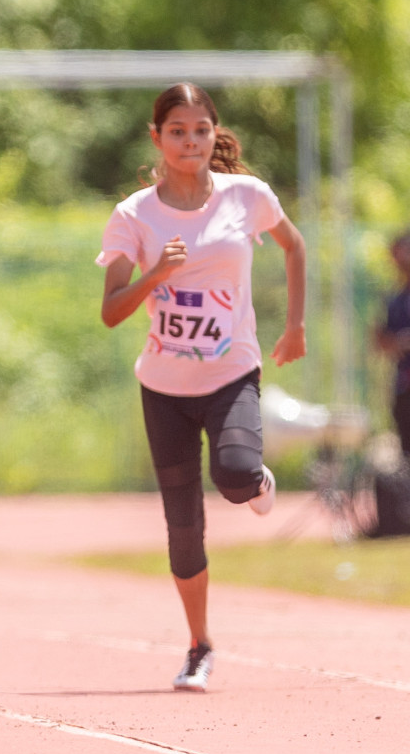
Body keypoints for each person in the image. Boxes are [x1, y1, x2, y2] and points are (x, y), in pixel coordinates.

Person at [98, 83, 305, 692]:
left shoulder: (247, 196)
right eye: (177, 131)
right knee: (183, 527)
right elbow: (110, 310)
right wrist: (157, 272)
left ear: (215, 135)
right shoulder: (135, 215)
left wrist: (294, 327)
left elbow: (294, 247)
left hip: (230, 372)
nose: (190, 142)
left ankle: (258, 478)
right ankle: (198, 644)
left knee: (237, 476)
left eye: (201, 131)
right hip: (163, 387)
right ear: (156, 137)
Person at [375, 232, 410, 482]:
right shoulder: (394, 298)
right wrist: (385, 340)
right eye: (397, 252)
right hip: (404, 386)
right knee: (408, 453)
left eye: (407, 251)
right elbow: (382, 339)